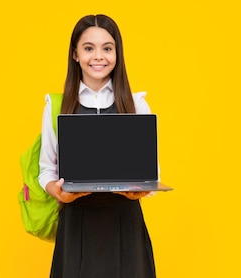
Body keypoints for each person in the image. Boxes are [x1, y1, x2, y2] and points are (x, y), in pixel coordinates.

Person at [38, 14, 156, 278]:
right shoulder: (57, 106)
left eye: (107, 48)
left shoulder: (136, 105)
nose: (98, 56)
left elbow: (152, 173)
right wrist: (59, 193)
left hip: (125, 224)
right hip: (77, 224)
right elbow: (46, 171)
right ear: (75, 55)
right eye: (89, 48)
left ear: (117, 53)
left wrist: (141, 190)